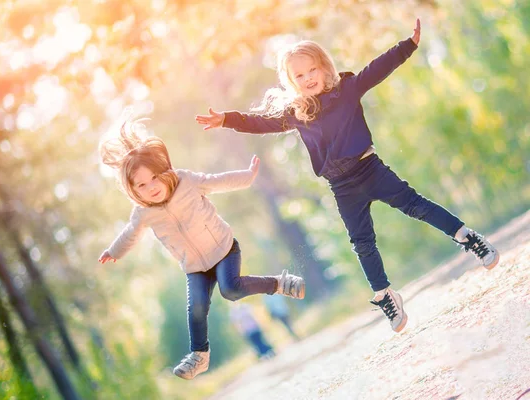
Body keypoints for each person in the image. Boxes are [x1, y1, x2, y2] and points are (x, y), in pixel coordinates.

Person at [195, 19, 499, 333]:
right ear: (291, 82)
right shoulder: (296, 113)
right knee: (362, 243)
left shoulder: (347, 89)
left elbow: (377, 69)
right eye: (299, 75)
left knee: (416, 205)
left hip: (370, 169)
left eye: (311, 69)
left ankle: (468, 237)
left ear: (324, 67)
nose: (307, 78)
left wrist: (408, 45)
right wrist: (226, 120)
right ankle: (385, 295)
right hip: (342, 187)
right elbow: (258, 122)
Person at [97, 120, 305, 380]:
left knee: (231, 289)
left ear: (164, 170)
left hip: (223, 249)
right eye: (141, 185)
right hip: (195, 267)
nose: (151, 187)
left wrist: (247, 176)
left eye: (154, 178)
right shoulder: (143, 213)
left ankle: (280, 283)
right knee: (195, 307)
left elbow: (217, 181)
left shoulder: (186, 181)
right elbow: (130, 234)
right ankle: (199, 356)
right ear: (133, 190)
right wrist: (113, 251)